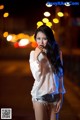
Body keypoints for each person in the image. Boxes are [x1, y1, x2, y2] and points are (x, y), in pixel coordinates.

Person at [29, 25, 66, 120]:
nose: (41, 42)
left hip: (55, 96)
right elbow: (36, 76)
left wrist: (61, 97)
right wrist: (37, 58)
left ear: (50, 39)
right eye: (38, 38)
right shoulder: (33, 54)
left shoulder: (57, 53)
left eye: (44, 38)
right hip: (40, 96)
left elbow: (60, 75)